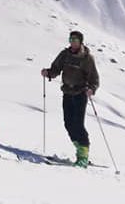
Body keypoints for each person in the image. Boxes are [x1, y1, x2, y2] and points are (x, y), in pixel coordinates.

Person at [41, 31, 99, 168]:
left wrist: (91, 89)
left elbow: (94, 79)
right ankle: (80, 148)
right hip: (67, 92)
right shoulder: (65, 55)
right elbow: (56, 68)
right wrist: (48, 73)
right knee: (68, 123)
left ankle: (83, 155)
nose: (72, 42)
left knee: (78, 124)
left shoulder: (87, 58)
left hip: (80, 93)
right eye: (71, 39)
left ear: (80, 42)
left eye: (75, 40)